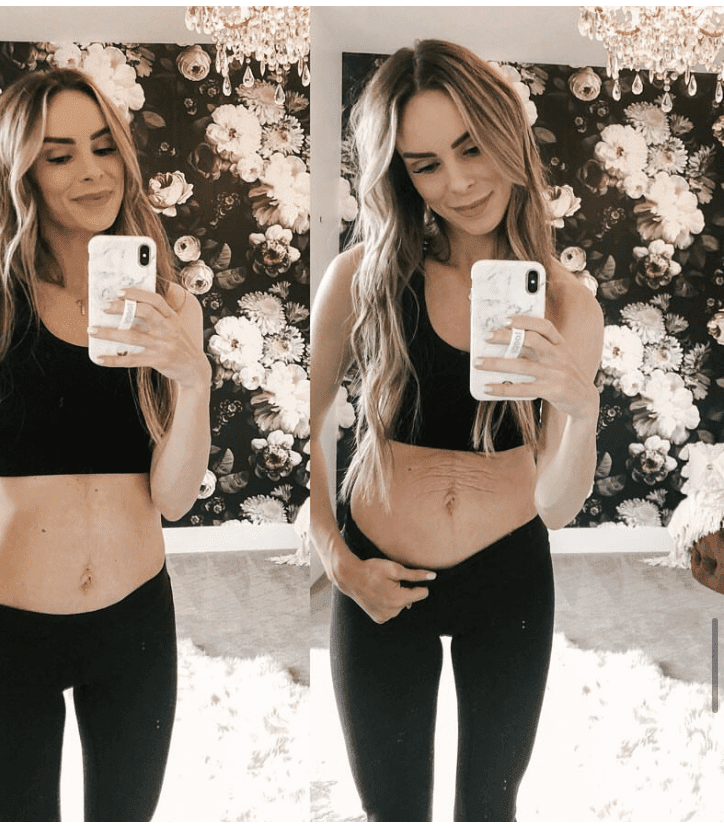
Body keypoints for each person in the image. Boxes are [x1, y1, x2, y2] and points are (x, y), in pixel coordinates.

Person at [0, 68, 211, 821]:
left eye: (104, 147)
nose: (93, 171)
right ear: (22, 173)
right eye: (59, 155)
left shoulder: (170, 305)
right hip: (7, 633)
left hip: (135, 626)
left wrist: (193, 380)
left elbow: (172, 498)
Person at [310, 40, 604, 822]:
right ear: (400, 176)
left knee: (490, 808)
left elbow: (558, 506)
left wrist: (580, 410)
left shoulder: (568, 305)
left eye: (471, 147)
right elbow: (308, 423)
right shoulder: (362, 276)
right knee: (392, 810)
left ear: (508, 135)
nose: (459, 182)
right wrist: (337, 560)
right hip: (379, 577)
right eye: (425, 164)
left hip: (506, 581)